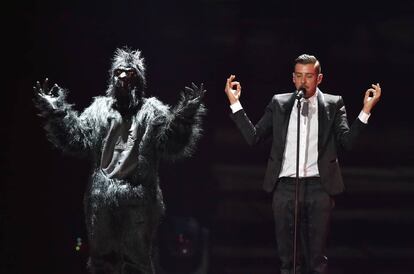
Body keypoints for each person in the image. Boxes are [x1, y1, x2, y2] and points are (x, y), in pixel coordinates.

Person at [34, 47, 206, 274]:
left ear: (139, 80)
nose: (123, 77)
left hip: (139, 202)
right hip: (101, 200)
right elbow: (77, 139)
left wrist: (185, 115)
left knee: (137, 264)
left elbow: (172, 144)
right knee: (102, 263)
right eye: (119, 73)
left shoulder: (151, 111)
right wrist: (56, 112)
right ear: (112, 77)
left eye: (129, 73)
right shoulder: (99, 109)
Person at [224, 54, 381, 274]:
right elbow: (254, 137)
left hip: (319, 187)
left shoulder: (333, 104)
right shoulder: (279, 103)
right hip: (285, 186)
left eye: (308, 76)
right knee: (288, 259)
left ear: (319, 78)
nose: (303, 81)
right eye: (299, 76)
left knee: (316, 259)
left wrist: (365, 110)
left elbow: (347, 141)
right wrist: (235, 102)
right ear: (293, 78)